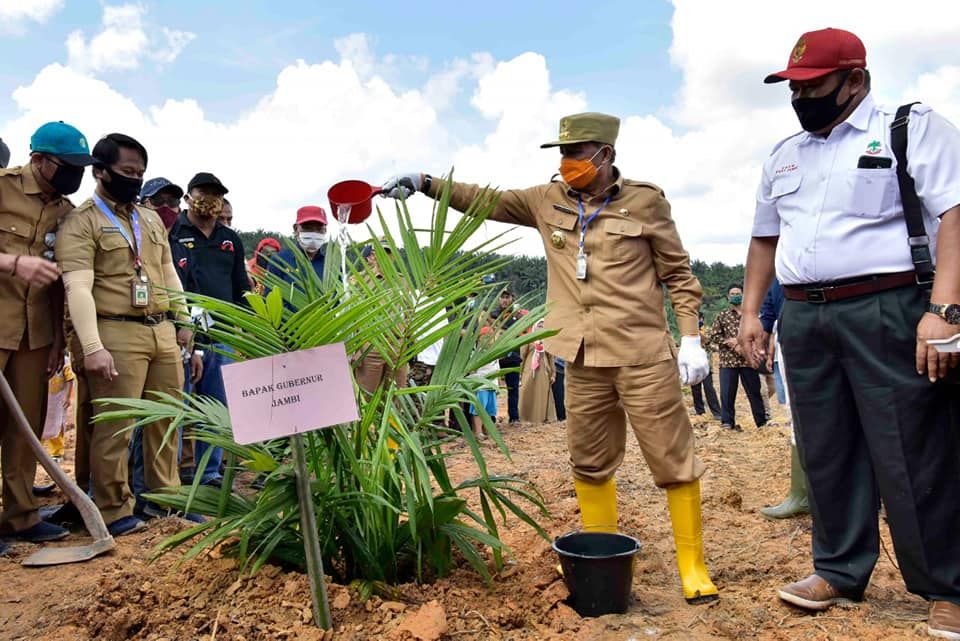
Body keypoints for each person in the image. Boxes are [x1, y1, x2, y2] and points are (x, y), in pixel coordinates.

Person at [381, 111, 717, 604]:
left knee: (672, 458)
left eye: (576, 153)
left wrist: (691, 336)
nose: (567, 163)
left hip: (641, 354)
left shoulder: (646, 202)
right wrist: (426, 182)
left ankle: (693, 565)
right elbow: (486, 200)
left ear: (606, 154)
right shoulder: (547, 199)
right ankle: (602, 555)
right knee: (589, 461)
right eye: (562, 153)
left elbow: (679, 275)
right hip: (579, 357)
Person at [738, 28, 960, 637]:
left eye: (814, 86)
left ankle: (948, 585)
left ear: (855, 80)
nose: (800, 98)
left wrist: (945, 310)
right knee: (825, 446)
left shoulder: (909, 128)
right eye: (794, 88)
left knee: (912, 446)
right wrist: (753, 313)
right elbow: (764, 237)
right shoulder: (786, 152)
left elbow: (954, 215)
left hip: (888, 305)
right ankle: (838, 568)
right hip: (805, 316)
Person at [56, 132, 190, 535]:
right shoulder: (82, 222)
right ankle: (114, 508)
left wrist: (181, 320)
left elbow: (168, 272)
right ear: (100, 172)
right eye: (127, 171)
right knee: (116, 426)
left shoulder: (149, 218)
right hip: (114, 332)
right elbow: (77, 287)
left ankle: (164, 500)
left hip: (160, 330)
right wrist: (92, 346)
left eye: (140, 172)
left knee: (167, 420)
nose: (135, 179)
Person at [0, 121, 95, 551]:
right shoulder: (2, 188)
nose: (75, 174)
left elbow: (61, 281)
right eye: (67, 165)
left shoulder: (66, 211)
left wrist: (58, 338)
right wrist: (12, 264)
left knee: (26, 426)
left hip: (35, 336)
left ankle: (19, 517)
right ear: (39, 160)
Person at [169, 172, 247, 488]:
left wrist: (252, 323)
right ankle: (171, 472)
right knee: (180, 403)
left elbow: (241, 286)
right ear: (189, 196)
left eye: (216, 194)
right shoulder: (174, 232)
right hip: (182, 332)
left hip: (222, 334)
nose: (209, 199)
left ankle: (209, 471)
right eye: (203, 192)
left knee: (217, 405)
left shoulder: (230, 240)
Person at [757, 278, 808, 519]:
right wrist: (764, 327)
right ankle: (802, 494)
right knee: (798, 414)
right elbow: (773, 289)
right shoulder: (782, 256)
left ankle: (879, 495)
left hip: (854, 303)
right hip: (792, 318)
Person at [707, 284, 767, 430]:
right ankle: (727, 422)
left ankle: (761, 423)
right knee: (727, 393)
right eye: (732, 293)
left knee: (754, 392)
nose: (735, 295)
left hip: (749, 360)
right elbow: (714, 336)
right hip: (728, 361)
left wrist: (746, 343)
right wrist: (731, 342)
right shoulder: (722, 316)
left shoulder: (752, 316)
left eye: (738, 293)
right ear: (728, 297)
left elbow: (762, 334)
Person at [354, 238, 408, 393]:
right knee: (366, 398)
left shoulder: (402, 281)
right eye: (382, 251)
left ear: (394, 256)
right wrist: (356, 349)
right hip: (369, 348)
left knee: (395, 399)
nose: (385, 256)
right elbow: (352, 316)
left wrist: (406, 342)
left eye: (389, 252)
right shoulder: (360, 280)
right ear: (374, 254)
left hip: (397, 349)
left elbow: (409, 312)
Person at [267, 205, 329, 289]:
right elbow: (270, 296)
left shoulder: (331, 265)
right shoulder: (280, 261)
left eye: (319, 229)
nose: (314, 233)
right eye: (307, 228)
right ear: (296, 229)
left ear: (325, 230)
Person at [490, 290, 523, 424]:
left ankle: (514, 417)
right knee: (491, 388)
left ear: (512, 299)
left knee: (513, 388)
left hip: (513, 357)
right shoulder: (492, 316)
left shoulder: (518, 317)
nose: (504, 300)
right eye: (502, 297)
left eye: (507, 297)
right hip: (495, 358)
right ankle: (491, 417)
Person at [519, 319, 557, 423]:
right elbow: (522, 357)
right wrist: (520, 373)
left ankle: (543, 418)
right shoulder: (528, 339)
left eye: (543, 325)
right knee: (527, 392)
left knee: (542, 393)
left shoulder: (548, 340)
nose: (541, 327)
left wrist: (553, 373)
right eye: (539, 325)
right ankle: (526, 417)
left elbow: (551, 358)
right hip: (529, 371)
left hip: (543, 372)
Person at [469, 325, 500, 439]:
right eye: (484, 337)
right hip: (481, 385)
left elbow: (497, 369)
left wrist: (497, 386)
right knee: (478, 409)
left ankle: (486, 429)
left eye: (490, 337)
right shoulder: (477, 353)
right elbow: (472, 370)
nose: (487, 340)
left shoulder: (495, 352)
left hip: (491, 385)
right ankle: (478, 432)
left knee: (489, 410)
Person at [690, 313, 722, 421]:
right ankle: (700, 412)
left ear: (702, 319)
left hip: (706, 365)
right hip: (693, 365)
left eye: (698, 319)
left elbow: (715, 347)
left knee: (709, 388)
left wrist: (706, 341)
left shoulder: (708, 330)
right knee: (695, 390)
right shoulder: (688, 332)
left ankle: (717, 413)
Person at [551, 356, 566, 422]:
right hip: (559, 368)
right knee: (559, 394)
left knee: (560, 394)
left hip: (561, 367)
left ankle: (561, 416)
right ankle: (561, 416)